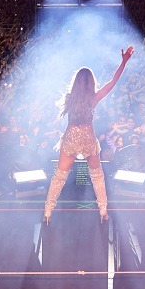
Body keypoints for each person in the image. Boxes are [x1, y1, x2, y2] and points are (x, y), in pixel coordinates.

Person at [43, 46, 133, 224]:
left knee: (59, 177)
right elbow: (112, 82)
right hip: (87, 139)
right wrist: (123, 62)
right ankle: (103, 211)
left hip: (71, 138)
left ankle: (47, 212)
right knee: (97, 176)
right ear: (91, 82)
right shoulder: (94, 97)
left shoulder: (69, 97)